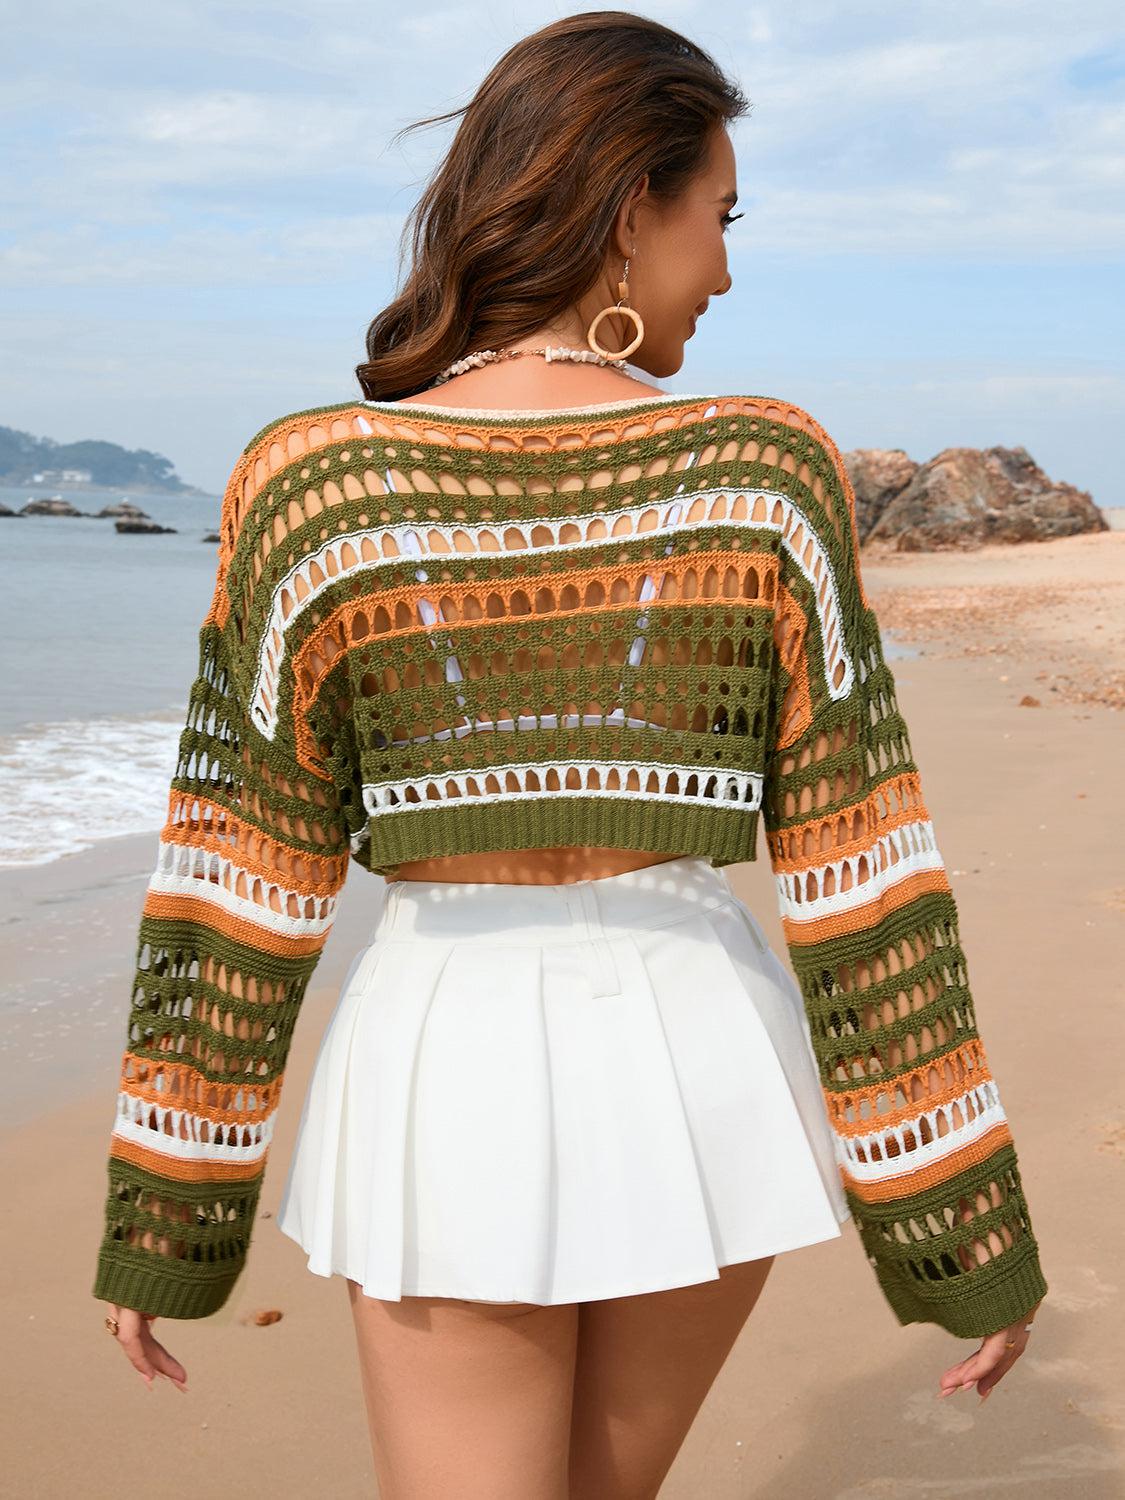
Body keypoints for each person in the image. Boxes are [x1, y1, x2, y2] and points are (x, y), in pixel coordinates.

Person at [94, 12, 1047, 1498]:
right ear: (627, 214)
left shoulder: (313, 480)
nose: (723, 268)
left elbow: (239, 880)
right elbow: (867, 881)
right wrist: (960, 1221)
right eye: (715, 218)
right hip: (699, 1051)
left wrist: (170, 1200)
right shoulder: (766, 470)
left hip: (443, 1052)